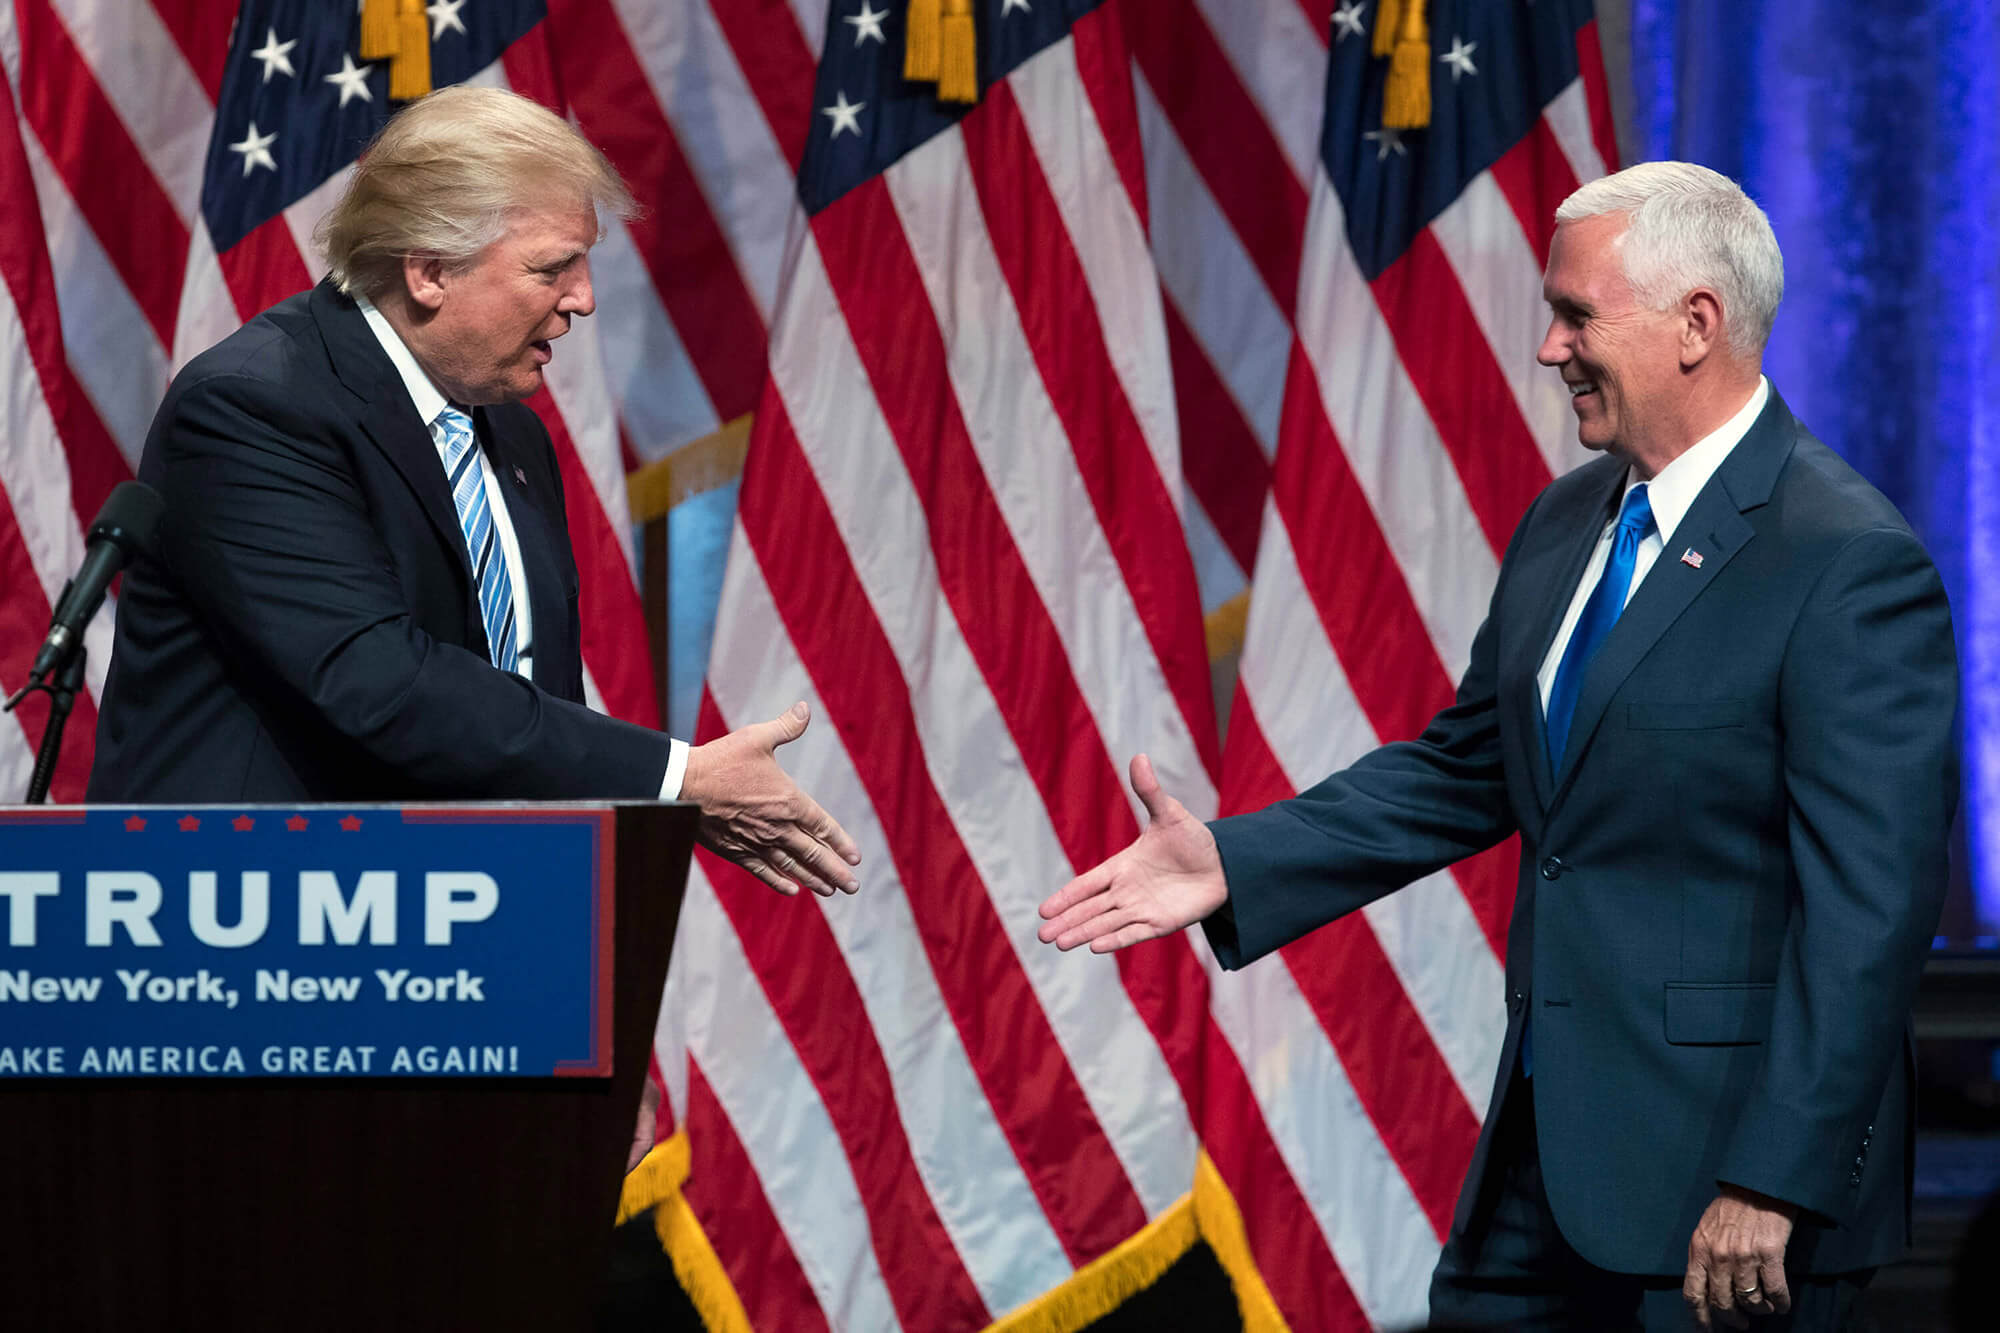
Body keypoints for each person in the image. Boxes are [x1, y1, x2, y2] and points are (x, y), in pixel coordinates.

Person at [1039, 162, 1957, 1330]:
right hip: (1539, 1169)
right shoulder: (1567, 519)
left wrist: (1771, 1174)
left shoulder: (1841, 562)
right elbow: (1469, 765)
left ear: (1695, 324)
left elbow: (1867, 911)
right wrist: (1237, 858)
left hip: (1723, 1197)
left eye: (1575, 314)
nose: (1547, 348)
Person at [87, 86, 857, 900]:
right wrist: (675, 775)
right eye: (553, 267)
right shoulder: (255, 407)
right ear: (428, 272)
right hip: (253, 929)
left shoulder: (506, 427)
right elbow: (378, 684)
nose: (583, 298)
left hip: (467, 925)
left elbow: (526, 694)